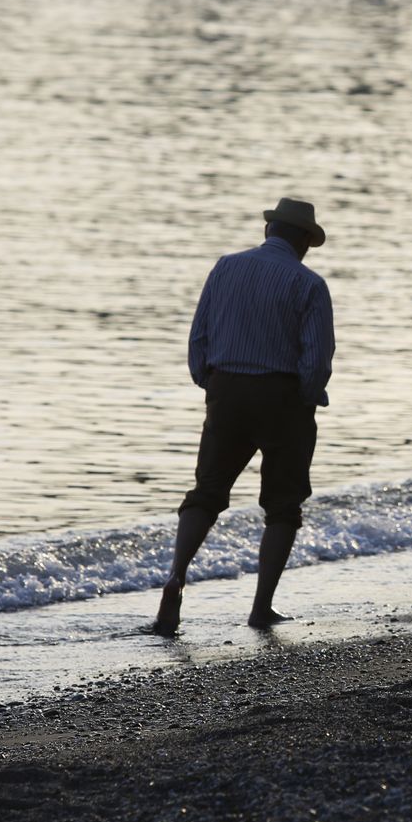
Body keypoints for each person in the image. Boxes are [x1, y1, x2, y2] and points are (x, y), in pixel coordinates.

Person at [154, 198, 335, 635]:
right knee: (282, 506)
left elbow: (198, 337)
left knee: (206, 494)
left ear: (270, 230)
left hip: (226, 391)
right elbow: (318, 359)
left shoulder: (225, 267)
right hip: (282, 396)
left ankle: (176, 577)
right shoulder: (309, 285)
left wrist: (212, 384)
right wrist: (306, 399)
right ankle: (260, 607)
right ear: (305, 242)